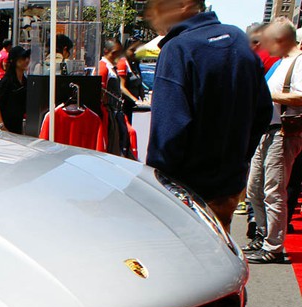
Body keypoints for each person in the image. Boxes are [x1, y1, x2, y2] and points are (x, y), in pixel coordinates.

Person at [145, 0, 272, 232]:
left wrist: (158, 187)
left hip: (187, 192)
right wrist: (239, 163)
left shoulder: (178, 48)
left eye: (157, 7)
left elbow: (167, 134)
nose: (153, 16)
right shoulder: (238, 40)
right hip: (229, 186)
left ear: (183, 5)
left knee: (188, 261)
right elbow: (263, 111)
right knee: (222, 255)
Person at [244, 18, 302, 263]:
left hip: (282, 132)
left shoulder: (298, 62)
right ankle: (263, 236)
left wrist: (265, 94)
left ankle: (273, 246)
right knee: (254, 188)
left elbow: (300, 97)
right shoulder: (282, 62)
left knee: (273, 191)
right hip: (269, 131)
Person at [0, 46, 31, 133]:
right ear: (14, 60)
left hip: (18, 127)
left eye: (27, 57)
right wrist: (1, 125)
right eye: (23, 58)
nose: (26, 60)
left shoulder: (25, 82)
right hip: (6, 127)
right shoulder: (6, 83)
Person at [120, 39, 146, 124]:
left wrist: (144, 100)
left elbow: (139, 85)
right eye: (132, 50)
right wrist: (135, 100)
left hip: (133, 107)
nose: (134, 53)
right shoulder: (122, 63)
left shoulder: (135, 65)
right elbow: (122, 87)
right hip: (124, 106)